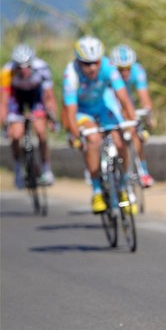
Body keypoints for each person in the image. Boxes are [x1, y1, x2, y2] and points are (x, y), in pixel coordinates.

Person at [63, 36, 137, 214]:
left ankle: (123, 186)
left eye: (95, 62)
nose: (92, 68)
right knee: (93, 138)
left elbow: (123, 97)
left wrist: (132, 122)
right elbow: (70, 112)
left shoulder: (108, 66)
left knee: (120, 142)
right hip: (83, 112)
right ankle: (97, 190)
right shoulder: (71, 74)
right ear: (78, 62)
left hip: (104, 108)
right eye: (86, 64)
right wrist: (75, 136)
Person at [0, 43, 58, 188]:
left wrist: (52, 118)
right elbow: (4, 100)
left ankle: (46, 169)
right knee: (16, 134)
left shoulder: (42, 68)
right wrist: (5, 123)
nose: (24, 70)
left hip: (36, 97)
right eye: (20, 66)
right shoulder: (7, 71)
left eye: (27, 66)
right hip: (16, 98)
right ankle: (18, 170)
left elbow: (49, 96)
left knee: (40, 131)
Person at [109, 44, 156, 187]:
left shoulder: (138, 71)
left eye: (128, 68)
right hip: (111, 102)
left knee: (136, 133)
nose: (124, 72)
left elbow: (144, 96)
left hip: (127, 102)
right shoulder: (109, 74)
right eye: (120, 69)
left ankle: (143, 171)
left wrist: (149, 115)